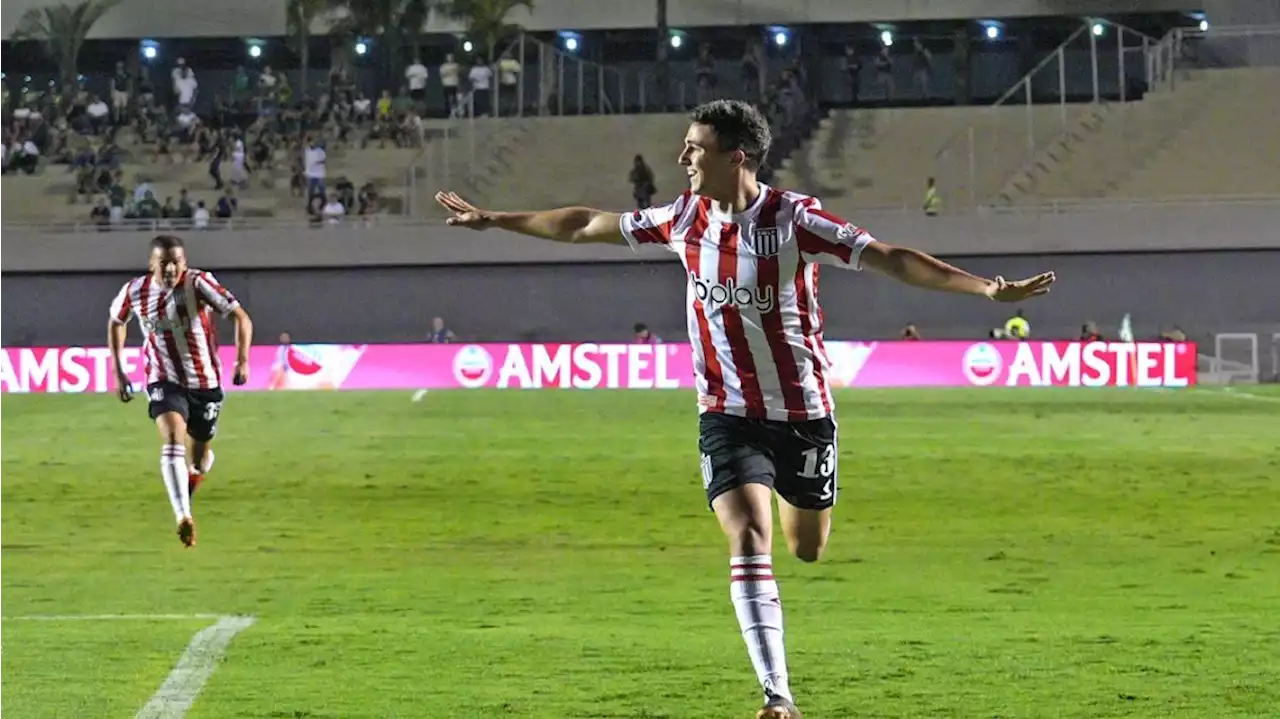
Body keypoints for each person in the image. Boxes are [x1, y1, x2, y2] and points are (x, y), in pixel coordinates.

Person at [434, 99, 1054, 719]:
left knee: (807, 547)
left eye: (695, 148)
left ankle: (790, 581)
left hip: (804, 414)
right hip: (725, 411)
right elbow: (584, 224)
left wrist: (988, 288)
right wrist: (495, 219)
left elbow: (892, 259)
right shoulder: (683, 218)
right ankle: (777, 695)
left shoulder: (796, 221)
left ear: (737, 156)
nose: (682, 159)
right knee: (749, 538)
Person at [107, 235, 254, 548]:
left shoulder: (200, 284)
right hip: (163, 379)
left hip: (205, 382)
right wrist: (119, 371)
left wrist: (242, 360)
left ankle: (194, 474)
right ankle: (183, 516)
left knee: (200, 455)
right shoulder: (135, 290)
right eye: (165, 263)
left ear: (184, 263)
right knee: (173, 435)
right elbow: (116, 321)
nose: (171, 269)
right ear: (152, 265)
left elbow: (240, 317)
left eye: (177, 262)